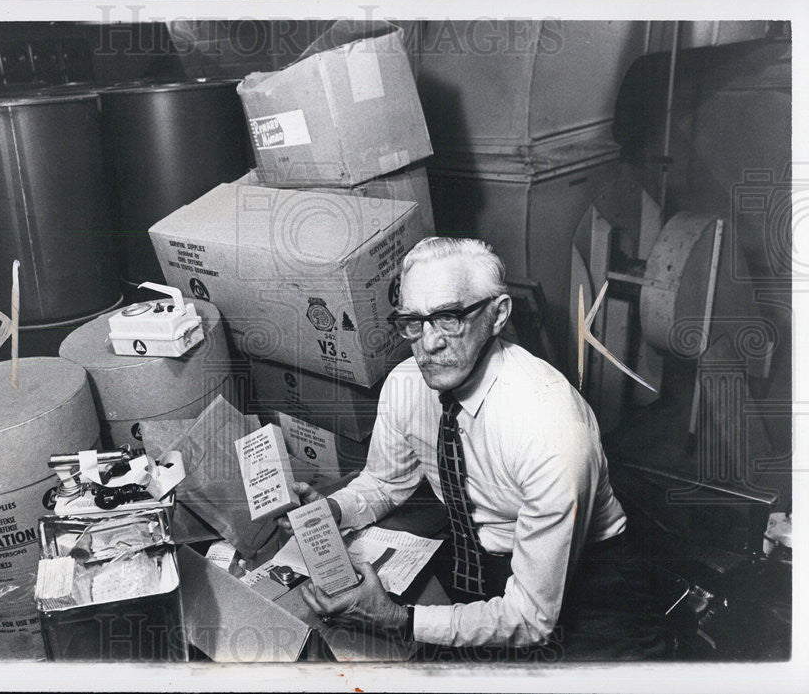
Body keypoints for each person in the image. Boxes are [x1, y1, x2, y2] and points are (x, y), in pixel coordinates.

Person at [285, 236, 673, 661]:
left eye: (449, 317)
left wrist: (399, 618)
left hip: (593, 581)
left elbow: (530, 617)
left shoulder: (549, 425)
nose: (428, 343)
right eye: (412, 321)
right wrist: (333, 510)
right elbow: (384, 482)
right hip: (480, 565)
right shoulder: (404, 385)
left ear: (498, 314)